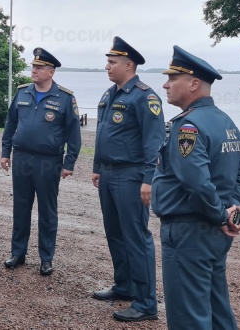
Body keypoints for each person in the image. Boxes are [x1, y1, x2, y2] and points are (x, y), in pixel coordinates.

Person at [151, 46, 240, 330]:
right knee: (216, 309)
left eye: (173, 78)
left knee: (189, 316)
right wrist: (232, 211)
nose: (166, 84)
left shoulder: (189, 126)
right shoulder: (225, 121)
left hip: (189, 230)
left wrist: (222, 215)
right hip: (214, 231)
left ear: (194, 84)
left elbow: (196, 182)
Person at [91, 37, 163, 322]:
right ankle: (124, 285)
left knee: (136, 237)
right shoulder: (110, 94)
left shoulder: (145, 97)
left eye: (112, 62)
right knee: (115, 233)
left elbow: (154, 140)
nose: (107, 66)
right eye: (107, 62)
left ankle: (146, 303)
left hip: (131, 175)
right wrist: (97, 166)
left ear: (129, 65)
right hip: (109, 173)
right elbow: (103, 133)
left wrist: (148, 178)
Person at [0, 47, 81, 276]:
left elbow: (74, 133)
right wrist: (5, 152)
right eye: (33, 66)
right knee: (21, 208)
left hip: (48, 161)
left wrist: (69, 163)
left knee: (47, 211)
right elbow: (10, 124)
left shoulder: (65, 98)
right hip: (22, 158)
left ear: (51, 72)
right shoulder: (22, 92)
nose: (34, 70)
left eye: (39, 67)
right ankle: (18, 253)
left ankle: (46, 258)